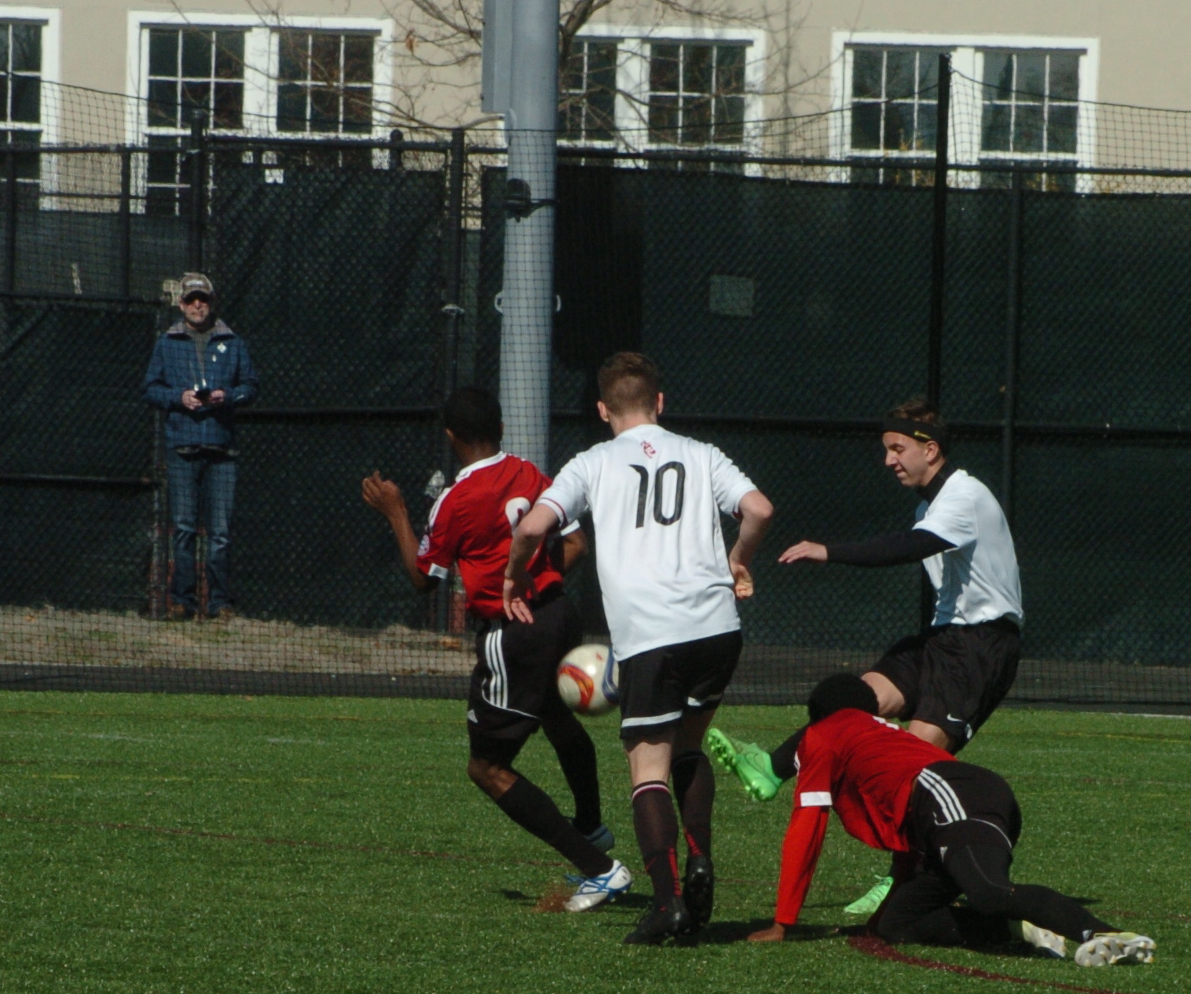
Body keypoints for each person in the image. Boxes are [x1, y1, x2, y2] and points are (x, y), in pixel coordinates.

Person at [712, 399, 1025, 914]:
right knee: (854, 702)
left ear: (931, 449)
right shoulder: (927, 506)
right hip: (942, 638)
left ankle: (902, 878)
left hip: (981, 648)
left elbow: (908, 547)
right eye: (886, 449)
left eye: (897, 449)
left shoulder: (964, 496)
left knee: (914, 764)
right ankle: (772, 766)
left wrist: (828, 551)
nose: (888, 460)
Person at [504, 352, 774, 946]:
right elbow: (759, 509)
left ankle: (668, 903)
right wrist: (738, 559)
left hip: (651, 636)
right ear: (660, 402)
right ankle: (700, 858)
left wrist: (515, 578)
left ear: (603, 410)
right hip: (717, 628)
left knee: (647, 770)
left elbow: (531, 528)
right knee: (689, 747)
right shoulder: (702, 454)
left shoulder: (591, 463)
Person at [362, 386, 630, 910]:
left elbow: (423, 579)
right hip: (558, 614)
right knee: (555, 715)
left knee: (486, 767)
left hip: (514, 634)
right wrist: (535, 584)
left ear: (450, 436)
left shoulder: (455, 500)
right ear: (502, 428)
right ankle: (592, 826)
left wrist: (395, 512)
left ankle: (601, 869)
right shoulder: (532, 475)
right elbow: (576, 543)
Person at [745, 674, 1154, 966]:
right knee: (898, 924)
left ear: (817, 715)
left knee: (989, 891)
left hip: (951, 794)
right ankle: (1020, 931)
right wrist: (878, 919)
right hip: (956, 800)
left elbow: (807, 826)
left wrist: (782, 923)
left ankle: (1100, 933)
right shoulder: (877, 736)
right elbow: (908, 837)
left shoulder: (822, 734)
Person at [142, 273, 258, 619]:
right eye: (191, 299)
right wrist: (179, 398)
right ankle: (182, 602)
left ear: (211, 303)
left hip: (222, 450)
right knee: (184, 529)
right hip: (182, 448)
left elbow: (251, 386)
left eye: (203, 299)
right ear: (181, 304)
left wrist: (227, 396)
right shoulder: (168, 343)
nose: (197, 305)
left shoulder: (232, 342)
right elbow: (150, 389)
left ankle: (220, 604)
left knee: (220, 532)